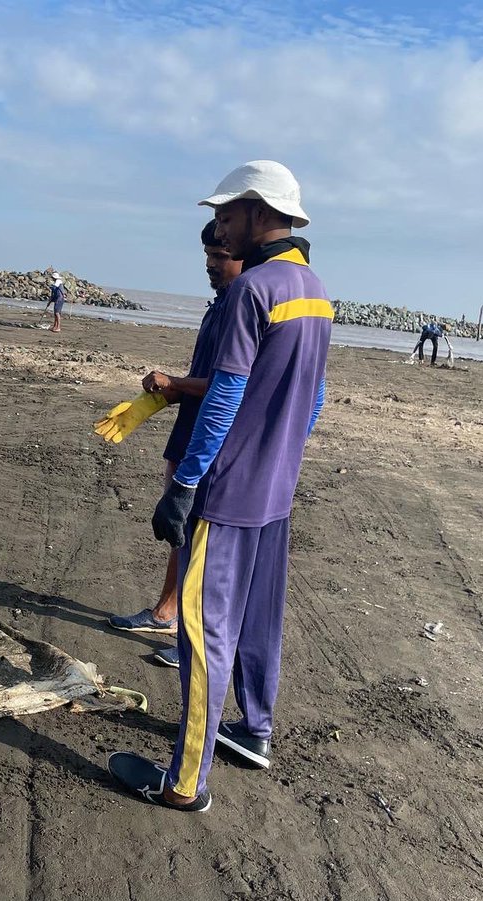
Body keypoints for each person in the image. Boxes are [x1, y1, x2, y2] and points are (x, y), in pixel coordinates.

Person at [108, 161, 330, 812]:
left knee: (203, 632)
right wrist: (282, 456)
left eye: (227, 215)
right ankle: (253, 729)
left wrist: (185, 480)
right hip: (276, 493)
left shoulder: (252, 289)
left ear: (259, 212)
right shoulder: (315, 291)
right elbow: (312, 400)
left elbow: (228, 391)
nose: (220, 227)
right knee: (259, 620)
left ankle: (183, 781)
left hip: (230, 491)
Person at [107, 220, 242, 661]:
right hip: (189, 429)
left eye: (220, 257)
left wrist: (177, 383)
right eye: (207, 256)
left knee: (205, 540)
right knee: (178, 528)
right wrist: (162, 395)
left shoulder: (244, 308)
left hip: (214, 439)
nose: (210, 265)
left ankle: (195, 638)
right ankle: (167, 612)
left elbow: (233, 386)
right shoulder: (219, 305)